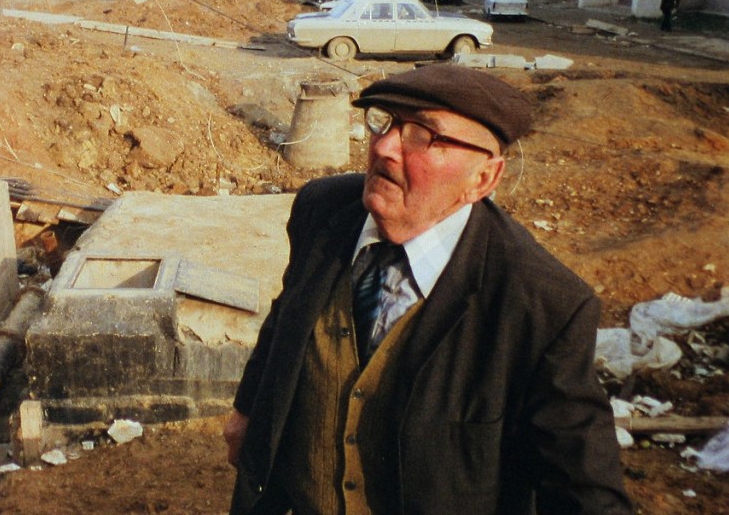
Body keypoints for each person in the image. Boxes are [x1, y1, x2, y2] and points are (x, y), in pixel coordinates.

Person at [223, 64, 633, 515]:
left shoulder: (541, 302)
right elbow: (287, 315)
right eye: (386, 122)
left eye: (423, 135)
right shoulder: (321, 211)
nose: (384, 147)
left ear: (483, 179)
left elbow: (582, 487)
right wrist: (247, 410)